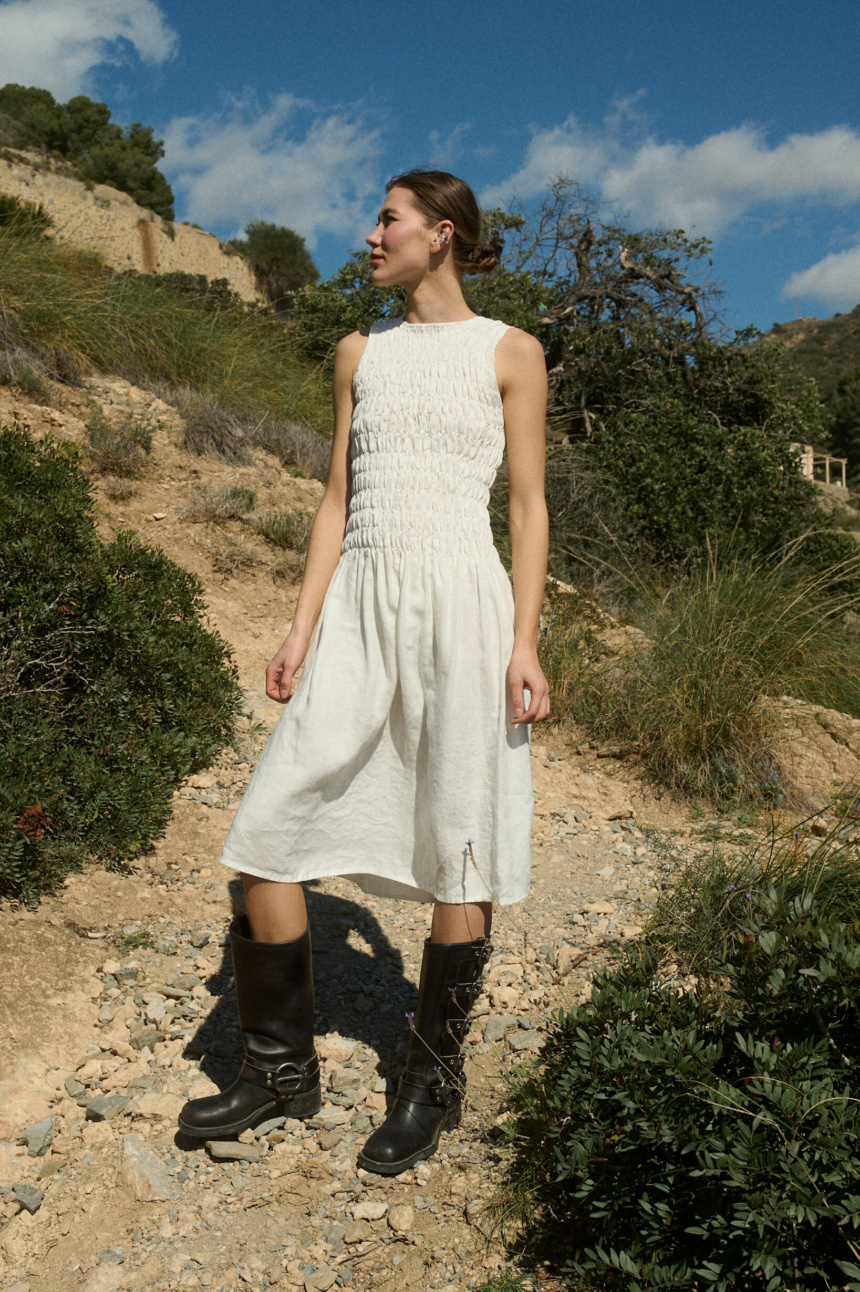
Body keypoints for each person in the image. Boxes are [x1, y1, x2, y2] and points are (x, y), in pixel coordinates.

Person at [178, 168, 550, 1176]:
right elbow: (336, 499)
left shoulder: (509, 352)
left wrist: (523, 640)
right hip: (359, 609)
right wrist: (300, 628)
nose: (368, 233)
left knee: (455, 840)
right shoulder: (358, 352)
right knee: (268, 830)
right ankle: (278, 1068)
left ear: (440, 234)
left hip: (463, 612)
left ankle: (428, 1080)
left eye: (385, 218)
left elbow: (524, 508)